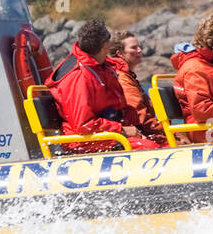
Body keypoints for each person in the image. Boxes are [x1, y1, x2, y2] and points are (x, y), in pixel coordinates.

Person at [45, 19, 160, 151]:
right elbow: (83, 126)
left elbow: (122, 108)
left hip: (112, 132)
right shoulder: (78, 78)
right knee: (149, 148)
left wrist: (137, 130)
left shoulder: (103, 67)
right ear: (105, 45)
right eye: (109, 38)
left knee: (157, 142)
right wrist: (122, 129)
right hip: (87, 141)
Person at [107, 30, 166, 145]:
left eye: (139, 47)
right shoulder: (122, 78)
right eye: (134, 48)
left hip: (147, 130)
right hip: (139, 134)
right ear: (120, 54)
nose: (140, 50)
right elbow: (140, 115)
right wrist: (166, 132)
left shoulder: (128, 76)